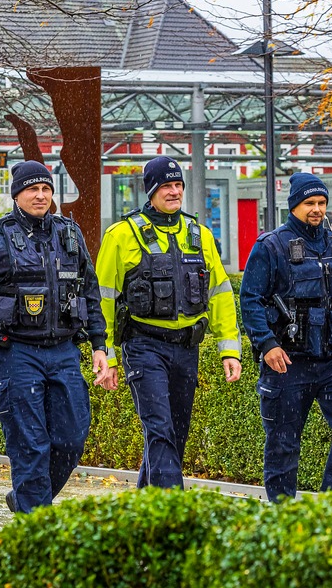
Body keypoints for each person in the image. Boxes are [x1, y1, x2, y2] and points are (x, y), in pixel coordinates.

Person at [0, 160, 110, 514]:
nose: (41, 195)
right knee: (31, 446)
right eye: (32, 189)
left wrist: (99, 345)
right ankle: (35, 530)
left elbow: (89, 291)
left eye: (46, 189)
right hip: (15, 354)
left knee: (72, 439)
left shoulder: (69, 234)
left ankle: (27, 497)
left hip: (64, 352)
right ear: (17, 194)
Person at [95, 156, 242, 489]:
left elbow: (219, 293)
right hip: (143, 346)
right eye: (166, 186)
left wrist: (229, 349)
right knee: (160, 429)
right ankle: (172, 515)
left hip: (186, 349)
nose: (175, 192)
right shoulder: (121, 235)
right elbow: (101, 298)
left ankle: (145, 512)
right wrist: (107, 355)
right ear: (151, 191)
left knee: (173, 435)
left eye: (178, 185)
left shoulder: (200, 235)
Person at [239, 172, 332, 502]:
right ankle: (284, 519)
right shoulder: (271, 246)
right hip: (288, 363)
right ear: (294, 205)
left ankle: (329, 509)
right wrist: (266, 343)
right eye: (309, 203)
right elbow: (250, 299)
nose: (317, 209)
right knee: (283, 445)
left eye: (322, 203)